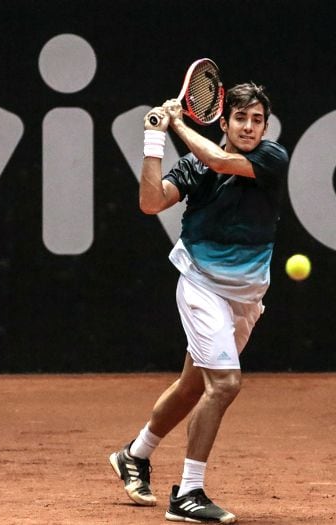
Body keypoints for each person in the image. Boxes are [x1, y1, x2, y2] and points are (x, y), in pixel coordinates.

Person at [109, 82, 289, 523]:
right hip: (201, 285)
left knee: (194, 386)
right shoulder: (193, 167)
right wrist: (156, 139)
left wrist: (176, 123)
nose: (249, 127)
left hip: (247, 296)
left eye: (257, 119)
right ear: (223, 121)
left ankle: (135, 454)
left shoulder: (270, 158)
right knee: (224, 384)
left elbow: (218, 159)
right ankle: (188, 492)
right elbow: (151, 202)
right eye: (240, 118)